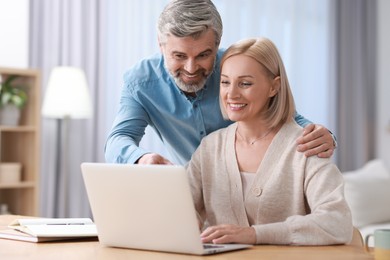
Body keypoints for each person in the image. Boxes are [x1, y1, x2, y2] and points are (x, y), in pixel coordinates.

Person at [104, 0, 336, 165]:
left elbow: (287, 117)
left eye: (204, 55)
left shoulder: (238, 68)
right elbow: (118, 139)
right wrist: (141, 159)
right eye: (179, 56)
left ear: (217, 44)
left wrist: (325, 136)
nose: (191, 68)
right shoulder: (140, 82)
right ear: (160, 44)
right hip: (193, 197)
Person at [186, 37, 352, 245]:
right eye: (225, 82)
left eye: (245, 83)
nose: (232, 94)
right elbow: (179, 208)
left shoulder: (306, 146)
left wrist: (255, 234)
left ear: (274, 87)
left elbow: (338, 223)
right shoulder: (210, 148)